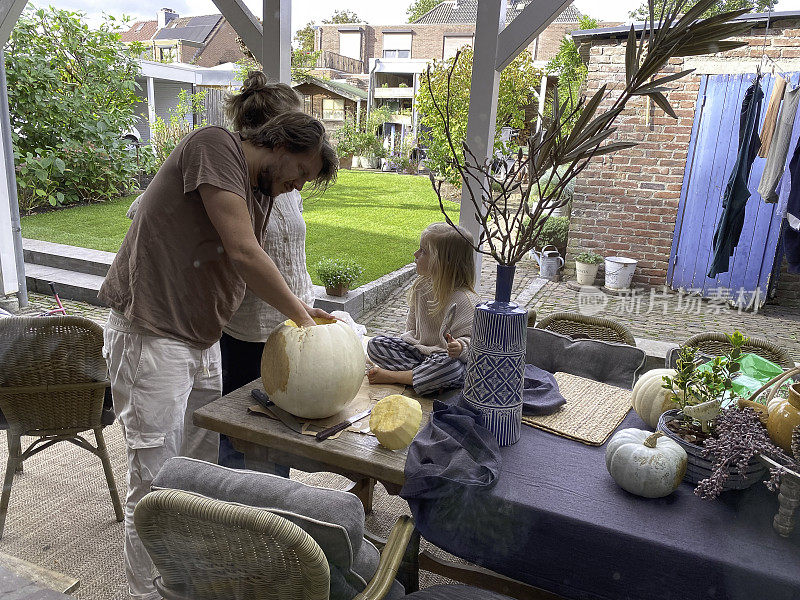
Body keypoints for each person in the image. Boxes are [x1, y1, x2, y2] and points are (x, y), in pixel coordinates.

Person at [99, 108, 337, 600]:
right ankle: (148, 592)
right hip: (150, 334)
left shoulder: (256, 188)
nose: (297, 186)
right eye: (301, 172)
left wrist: (299, 306)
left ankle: (187, 581)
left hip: (200, 338)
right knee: (155, 479)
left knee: (199, 473)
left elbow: (250, 264)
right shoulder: (214, 147)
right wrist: (302, 318)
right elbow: (244, 253)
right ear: (282, 145)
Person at [217, 73, 317, 468]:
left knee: (283, 427)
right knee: (241, 431)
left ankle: (274, 507)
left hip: (291, 325)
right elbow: (246, 253)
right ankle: (236, 511)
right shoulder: (233, 180)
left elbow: (289, 251)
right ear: (276, 136)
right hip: (248, 331)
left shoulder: (284, 184)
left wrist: (306, 307)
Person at [367, 222, 477, 396]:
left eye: (423, 251)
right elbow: (410, 330)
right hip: (419, 355)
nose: (416, 254)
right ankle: (425, 379)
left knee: (451, 367)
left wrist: (460, 347)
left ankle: (395, 377)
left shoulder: (464, 300)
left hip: (445, 359)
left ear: (443, 262)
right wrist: (408, 344)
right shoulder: (420, 287)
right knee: (375, 345)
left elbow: (475, 345)